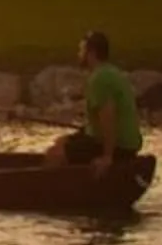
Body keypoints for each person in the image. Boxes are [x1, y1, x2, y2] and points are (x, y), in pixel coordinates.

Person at [56, 30, 143, 170]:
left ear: (91, 53)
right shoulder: (112, 72)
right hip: (126, 143)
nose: (79, 54)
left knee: (55, 153)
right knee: (61, 142)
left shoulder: (99, 79)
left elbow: (108, 118)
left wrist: (107, 157)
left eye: (81, 50)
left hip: (119, 146)